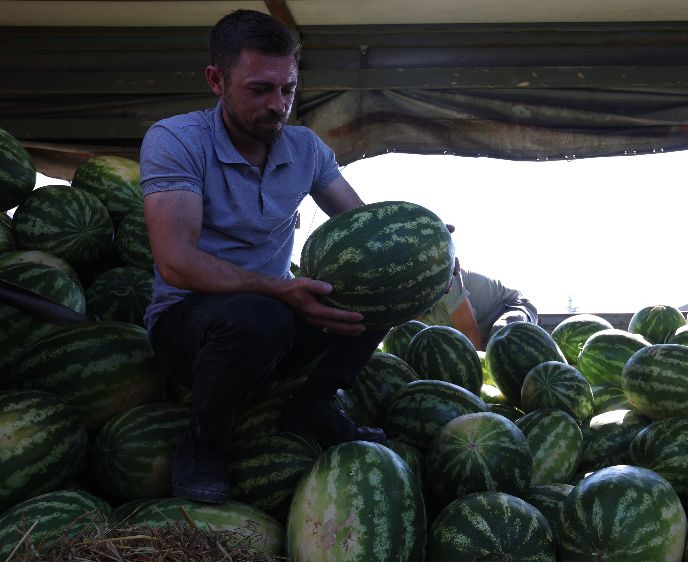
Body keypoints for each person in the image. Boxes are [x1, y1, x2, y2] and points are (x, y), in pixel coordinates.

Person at [141, 10, 392, 504]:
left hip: (274, 318)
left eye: (288, 90)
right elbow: (176, 261)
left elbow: (365, 230)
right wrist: (281, 291)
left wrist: (423, 244)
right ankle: (205, 445)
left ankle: (312, 404)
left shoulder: (306, 149)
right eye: (259, 90)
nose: (278, 106)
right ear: (216, 80)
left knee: (385, 286)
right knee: (260, 317)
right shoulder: (177, 141)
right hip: (189, 330)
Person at [421, 267, 538, 350]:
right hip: (485, 336)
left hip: (511, 306)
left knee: (501, 338)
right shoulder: (410, 319)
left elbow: (471, 332)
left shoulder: (442, 280)